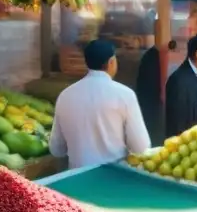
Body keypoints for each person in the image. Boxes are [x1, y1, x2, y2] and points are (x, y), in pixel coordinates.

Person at [50, 40, 150, 169]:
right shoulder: (125, 95)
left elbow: (56, 149)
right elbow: (141, 147)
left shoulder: (65, 95)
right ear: (111, 62)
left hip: (76, 178)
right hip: (114, 177)